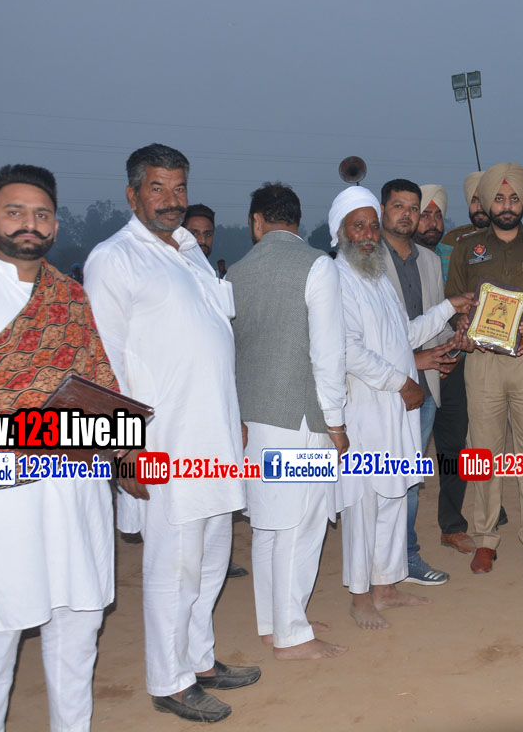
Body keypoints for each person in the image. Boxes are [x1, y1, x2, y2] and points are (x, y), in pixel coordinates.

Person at [85, 143, 259, 724]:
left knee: (211, 558)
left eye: (179, 187)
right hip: (164, 441)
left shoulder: (189, 250)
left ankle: (199, 661)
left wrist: (233, 413)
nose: (170, 199)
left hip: (214, 433)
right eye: (157, 188)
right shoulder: (114, 259)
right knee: (173, 564)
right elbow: (104, 360)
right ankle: (169, 681)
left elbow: (212, 341)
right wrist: (121, 447)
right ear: (132, 193)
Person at [0, 165, 116, 731]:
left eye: (41, 214)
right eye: (14, 212)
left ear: (56, 226)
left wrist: (120, 445)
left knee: (78, 630)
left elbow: (99, 392)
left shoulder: (72, 298)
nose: (29, 224)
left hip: (75, 493)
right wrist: (26, 435)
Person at [328, 186, 475, 628]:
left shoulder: (376, 278)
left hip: (395, 412)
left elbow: (405, 335)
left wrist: (448, 306)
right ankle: (360, 597)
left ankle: (386, 587)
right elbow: (348, 350)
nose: (368, 234)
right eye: (359, 226)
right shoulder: (337, 278)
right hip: (364, 409)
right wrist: (402, 383)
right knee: (363, 505)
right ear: (341, 231)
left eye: (373, 226)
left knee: (393, 497)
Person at [226, 181, 349, 660]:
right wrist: (336, 422)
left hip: (251, 416)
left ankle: (272, 623)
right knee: (300, 525)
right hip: (300, 417)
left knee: (267, 525)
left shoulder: (235, 272)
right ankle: (292, 635)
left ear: (257, 222)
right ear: (296, 221)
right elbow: (328, 353)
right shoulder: (317, 265)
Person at [446, 163, 523, 574]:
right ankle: (485, 539)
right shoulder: (467, 247)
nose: (506, 205)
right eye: (499, 198)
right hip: (482, 362)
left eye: (514, 198)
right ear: (487, 203)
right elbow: (453, 299)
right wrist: (461, 325)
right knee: (482, 453)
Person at [378, 178, 460, 585]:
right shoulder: (365, 259)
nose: (408, 214)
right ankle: (378, 563)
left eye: (414, 207)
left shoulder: (429, 260)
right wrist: (412, 359)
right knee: (379, 480)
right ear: (383, 210)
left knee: (409, 479)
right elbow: (364, 337)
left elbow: (435, 323)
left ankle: (406, 557)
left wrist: (455, 344)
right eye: (400, 206)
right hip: (380, 391)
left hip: (425, 390)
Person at [182, 202, 249, 580]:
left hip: (218, 404)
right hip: (183, 412)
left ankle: (217, 560)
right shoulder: (173, 275)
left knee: (219, 487)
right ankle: (196, 563)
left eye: (207, 234)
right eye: (194, 233)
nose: (202, 241)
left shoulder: (211, 276)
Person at [413, 183, 476, 554]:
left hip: (453, 365)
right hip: (412, 371)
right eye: (425, 214)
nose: (432, 222)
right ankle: (400, 539)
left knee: (456, 451)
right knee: (408, 457)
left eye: (438, 215)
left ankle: (453, 526)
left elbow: (468, 306)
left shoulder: (456, 255)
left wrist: (461, 341)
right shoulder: (396, 260)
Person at [439, 170, 488, 246]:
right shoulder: (453, 238)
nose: (479, 208)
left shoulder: (505, 237)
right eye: (474, 201)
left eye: (484, 200)